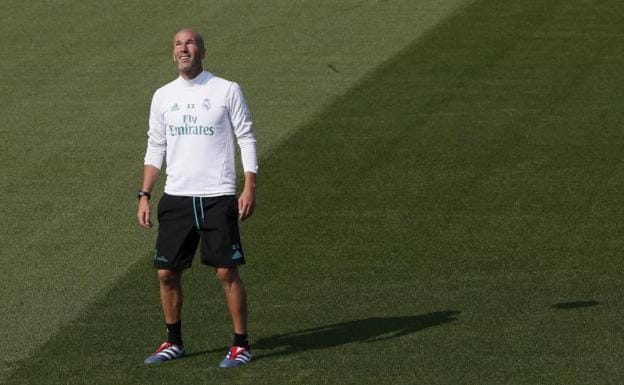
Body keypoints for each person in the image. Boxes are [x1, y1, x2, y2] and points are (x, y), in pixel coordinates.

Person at [137, 28, 257, 368]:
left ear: (202, 50)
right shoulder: (162, 96)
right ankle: (173, 341)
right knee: (166, 273)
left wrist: (249, 185)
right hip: (176, 197)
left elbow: (246, 136)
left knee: (225, 272)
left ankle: (241, 344)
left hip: (217, 196)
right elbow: (155, 144)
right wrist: (145, 193)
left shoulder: (226, 90)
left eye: (189, 42)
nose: (183, 48)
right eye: (177, 44)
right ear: (173, 54)